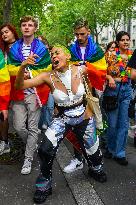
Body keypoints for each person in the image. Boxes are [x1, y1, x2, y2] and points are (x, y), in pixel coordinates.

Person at [15, 44, 107, 204]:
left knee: (93, 148)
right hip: (62, 118)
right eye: (51, 55)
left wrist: (90, 110)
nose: (53, 56)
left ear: (67, 56)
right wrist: (23, 66)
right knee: (45, 150)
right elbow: (20, 86)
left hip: (83, 115)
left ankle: (96, 169)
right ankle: (44, 185)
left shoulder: (81, 70)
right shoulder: (47, 76)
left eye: (57, 53)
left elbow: (89, 86)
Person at [6, 16, 51, 175]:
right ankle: (32, 145)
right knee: (18, 126)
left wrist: (30, 74)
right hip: (18, 93)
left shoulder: (41, 49)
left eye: (30, 25)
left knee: (32, 127)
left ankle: (28, 159)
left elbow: (47, 69)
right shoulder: (14, 49)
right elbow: (10, 68)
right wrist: (21, 70)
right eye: (24, 25)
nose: (26, 27)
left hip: (35, 94)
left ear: (35, 28)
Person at [63, 18, 107, 173]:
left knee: (92, 127)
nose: (79, 37)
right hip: (75, 94)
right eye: (77, 34)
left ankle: (96, 162)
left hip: (92, 92)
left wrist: (86, 67)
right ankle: (77, 159)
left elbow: (102, 71)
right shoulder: (70, 50)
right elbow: (65, 68)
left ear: (88, 32)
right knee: (76, 126)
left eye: (82, 34)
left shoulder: (97, 51)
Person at [103, 31, 133, 165]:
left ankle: (120, 153)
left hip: (127, 89)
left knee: (124, 124)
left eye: (127, 39)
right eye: (123, 40)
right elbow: (101, 71)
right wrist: (109, 77)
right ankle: (110, 148)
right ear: (118, 41)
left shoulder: (132, 56)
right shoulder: (110, 55)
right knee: (113, 124)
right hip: (113, 90)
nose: (125, 42)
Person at [0, 24, 19, 155]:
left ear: (13, 32)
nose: (4, 35)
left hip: (19, 87)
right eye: (2, 33)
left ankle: (30, 140)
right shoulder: (2, 49)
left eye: (6, 32)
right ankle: (4, 141)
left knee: (21, 121)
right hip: (4, 86)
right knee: (2, 114)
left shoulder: (22, 46)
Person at [37, 35, 54, 131]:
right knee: (42, 106)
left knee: (50, 106)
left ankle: (47, 124)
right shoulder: (36, 57)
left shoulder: (52, 56)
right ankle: (41, 124)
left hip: (50, 85)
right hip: (39, 85)